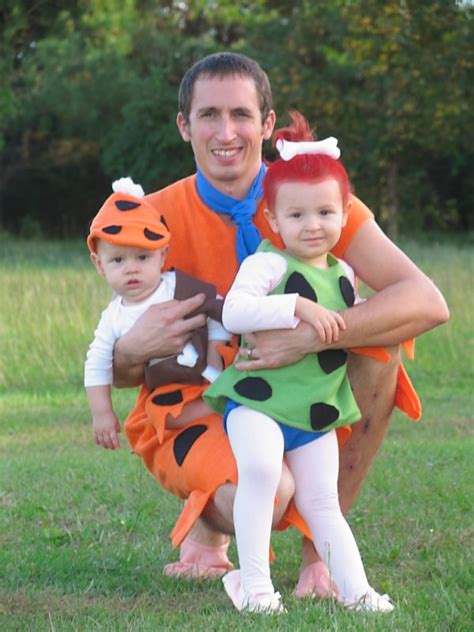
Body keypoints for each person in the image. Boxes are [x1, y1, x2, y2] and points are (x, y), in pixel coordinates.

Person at [114, 52, 449, 595]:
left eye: (242, 115)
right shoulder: (148, 216)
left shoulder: (312, 201)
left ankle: (322, 555)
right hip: (204, 396)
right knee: (267, 494)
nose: (227, 132)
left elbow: (427, 301)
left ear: (267, 126)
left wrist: (311, 333)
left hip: (302, 389)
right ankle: (210, 526)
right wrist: (132, 350)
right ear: (184, 126)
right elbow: (118, 363)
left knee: (382, 347)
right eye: (209, 115)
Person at [204, 110, 395, 613]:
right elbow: (234, 310)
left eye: (325, 213)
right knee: (263, 473)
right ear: (272, 219)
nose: (312, 226)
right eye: (296, 216)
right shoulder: (268, 262)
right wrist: (298, 307)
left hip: (313, 413)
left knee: (322, 502)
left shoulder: (346, 275)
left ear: (345, 210)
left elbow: (361, 328)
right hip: (257, 404)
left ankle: (360, 594)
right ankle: (255, 587)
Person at [84, 177, 231, 450]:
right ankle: (220, 408)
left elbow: (219, 309)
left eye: (142, 257)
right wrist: (102, 413)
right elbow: (96, 365)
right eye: (118, 260)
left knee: (230, 388)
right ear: (99, 264)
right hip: (170, 391)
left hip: (211, 372)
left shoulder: (177, 287)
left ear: (162, 256)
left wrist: (214, 354)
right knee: (163, 414)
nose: (131, 269)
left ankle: (224, 402)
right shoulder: (112, 319)